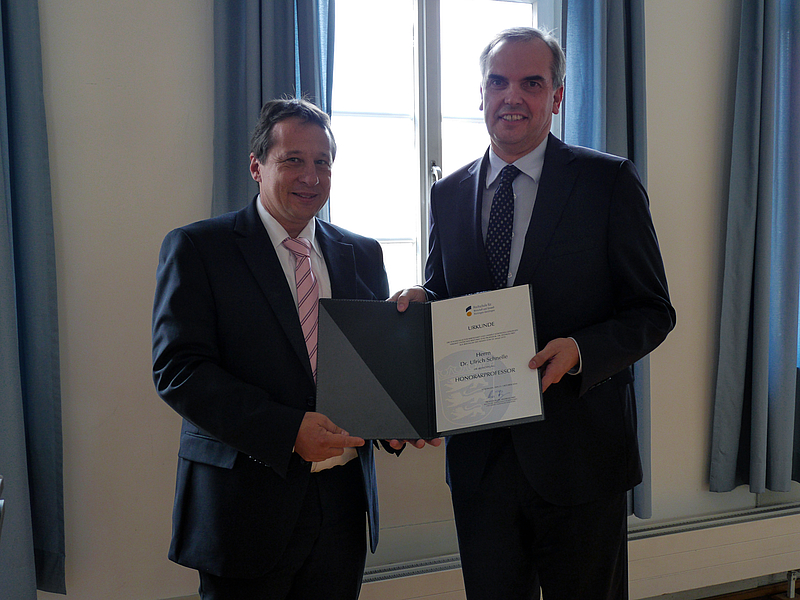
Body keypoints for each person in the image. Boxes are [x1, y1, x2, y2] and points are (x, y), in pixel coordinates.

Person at [392, 27, 676, 600]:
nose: (512, 97)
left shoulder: (607, 181)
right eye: (498, 82)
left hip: (580, 457)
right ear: (480, 93)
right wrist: (423, 297)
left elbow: (652, 310)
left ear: (558, 95)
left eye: (532, 83)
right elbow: (447, 291)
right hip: (481, 464)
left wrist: (581, 351)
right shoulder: (448, 194)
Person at [152, 98, 395, 600]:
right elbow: (179, 369)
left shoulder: (363, 254)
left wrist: (398, 423)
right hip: (243, 508)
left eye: (323, 162)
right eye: (293, 160)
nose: (311, 176)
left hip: (342, 507)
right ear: (256, 166)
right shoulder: (199, 249)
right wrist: (287, 431)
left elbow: (372, 370)